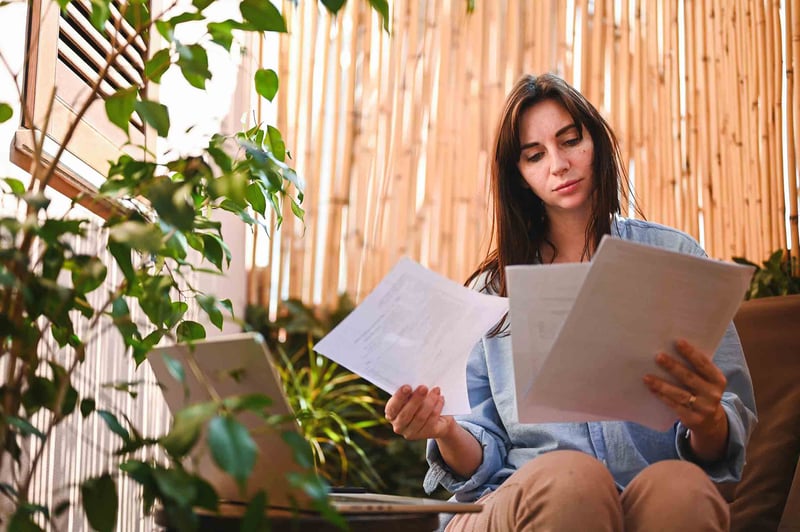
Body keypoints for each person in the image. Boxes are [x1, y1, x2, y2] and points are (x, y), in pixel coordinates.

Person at [383, 73, 757, 531]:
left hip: (643, 494)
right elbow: (477, 459)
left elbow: (725, 437)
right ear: (519, 177)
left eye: (570, 141)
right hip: (515, 497)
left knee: (684, 489)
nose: (558, 164)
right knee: (573, 480)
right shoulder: (491, 292)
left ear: (595, 142)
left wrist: (708, 421)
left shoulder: (674, 258)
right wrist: (444, 431)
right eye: (535, 156)